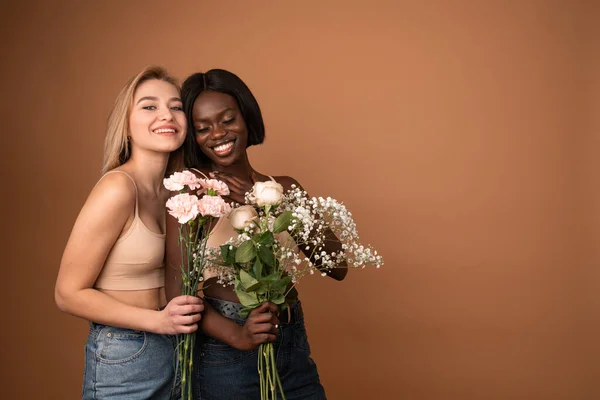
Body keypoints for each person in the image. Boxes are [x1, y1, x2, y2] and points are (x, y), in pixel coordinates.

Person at [165, 68, 347, 399]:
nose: (217, 134)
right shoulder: (194, 196)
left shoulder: (285, 188)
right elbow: (178, 292)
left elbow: (337, 267)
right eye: (203, 128)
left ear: (246, 118)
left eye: (227, 119)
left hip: (292, 343)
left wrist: (276, 206)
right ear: (194, 137)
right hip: (228, 354)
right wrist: (238, 335)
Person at [55, 66, 203, 400]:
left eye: (176, 107)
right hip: (127, 353)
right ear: (127, 125)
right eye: (149, 106)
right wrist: (159, 322)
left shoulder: (177, 192)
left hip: (180, 349)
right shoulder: (118, 189)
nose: (166, 114)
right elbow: (67, 293)